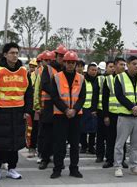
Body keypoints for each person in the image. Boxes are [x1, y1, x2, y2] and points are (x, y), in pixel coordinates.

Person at [0, 42, 33, 180]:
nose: (15, 55)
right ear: (5, 54)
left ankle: (12, 168)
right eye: (12, 53)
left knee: (15, 142)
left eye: (17, 53)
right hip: (0, 112)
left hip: (18, 112)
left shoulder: (24, 71)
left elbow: (29, 93)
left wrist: (27, 110)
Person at [49, 51, 86, 179]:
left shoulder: (81, 78)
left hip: (76, 116)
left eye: (73, 63)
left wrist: (74, 110)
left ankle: (74, 169)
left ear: (76, 64)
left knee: (75, 144)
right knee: (59, 143)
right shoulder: (57, 77)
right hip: (60, 115)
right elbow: (54, 96)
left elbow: (82, 97)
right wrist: (66, 110)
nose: (70, 65)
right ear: (64, 63)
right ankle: (57, 169)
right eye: (68, 62)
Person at [113, 56, 137, 177]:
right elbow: (119, 95)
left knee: (136, 144)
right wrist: (131, 107)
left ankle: (134, 166)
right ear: (127, 65)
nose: (136, 66)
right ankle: (118, 166)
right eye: (134, 64)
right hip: (125, 116)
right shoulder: (119, 78)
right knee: (120, 143)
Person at [38, 45, 67, 170]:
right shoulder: (48, 69)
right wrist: (57, 94)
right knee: (47, 135)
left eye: (63, 56)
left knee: (60, 136)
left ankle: (59, 159)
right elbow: (44, 85)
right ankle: (45, 159)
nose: (61, 58)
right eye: (60, 56)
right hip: (50, 106)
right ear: (55, 56)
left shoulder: (67, 70)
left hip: (62, 106)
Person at [102, 57, 128, 169]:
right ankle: (109, 159)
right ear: (115, 65)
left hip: (124, 113)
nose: (123, 67)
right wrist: (106, 115)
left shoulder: (127, 79)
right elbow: (104, 99)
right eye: (121, 64)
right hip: (112, 114)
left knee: (123, 138)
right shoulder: (108, 80)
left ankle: (122, 160)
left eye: (124, 65)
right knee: (111, 138)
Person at [95, 60, 114, 163]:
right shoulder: (100, 79)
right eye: (110, 66)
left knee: (111, 136)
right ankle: (99, 155)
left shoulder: (117, 78)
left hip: (113, 110)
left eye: (113, 66)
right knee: (101, 135)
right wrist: (94, 108)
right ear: (106, 68)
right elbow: (95, 94)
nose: (112, 68)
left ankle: (109, 156)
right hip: (101, 110)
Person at [81, 62, 98, 155]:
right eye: (92, 70)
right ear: (87, 70)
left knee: (93, 129)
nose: (94, 72)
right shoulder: (83, 80)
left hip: (94, 108)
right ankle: (84, 146)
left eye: (95, 70)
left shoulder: (98, 80)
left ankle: (91, 147)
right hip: (84, 107)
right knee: (82, 129)